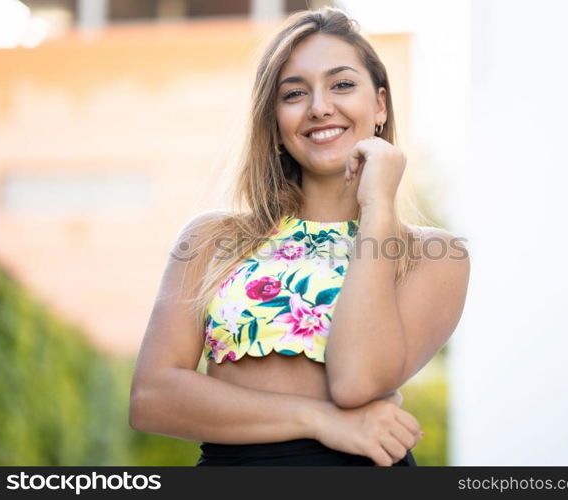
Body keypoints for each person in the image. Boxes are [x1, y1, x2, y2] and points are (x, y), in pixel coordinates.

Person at [128, 6, 470, 467]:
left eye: (342, 84)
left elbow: (357, 382)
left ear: (381, 105)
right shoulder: (212, 239)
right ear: (274, 121)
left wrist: (378, 209)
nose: (319, 106)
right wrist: (320, 420)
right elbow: (153, 397)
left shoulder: (432, 255)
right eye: (294, 93)